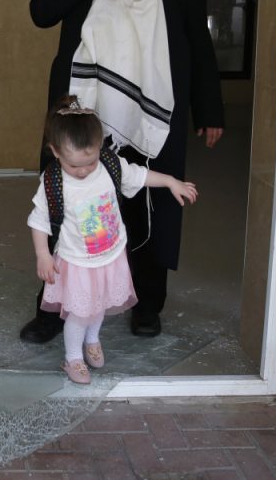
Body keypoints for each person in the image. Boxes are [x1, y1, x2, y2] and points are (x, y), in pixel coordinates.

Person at [20, 0, 224, 343]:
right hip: (81, 113)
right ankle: (53, 310)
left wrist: (209, 108)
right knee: (65, 205)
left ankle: (148, 305)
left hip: (157, 108)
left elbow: (197, 41)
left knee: (152, 207)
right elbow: (41, 13)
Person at [29, 97, 199, 384]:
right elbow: (39, 220)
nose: (83, 170)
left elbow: (139, 175)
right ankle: (72, 358)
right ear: (55, 151)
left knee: (100, 306)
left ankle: (92, 340)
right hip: (78, 262)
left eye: (90, 161)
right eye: (74, 165)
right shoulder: (53, 181)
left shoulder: (109, 165)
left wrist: (171, 181)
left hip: (111, 255)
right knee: (80, 314)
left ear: (100, 147)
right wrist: (43, 255)